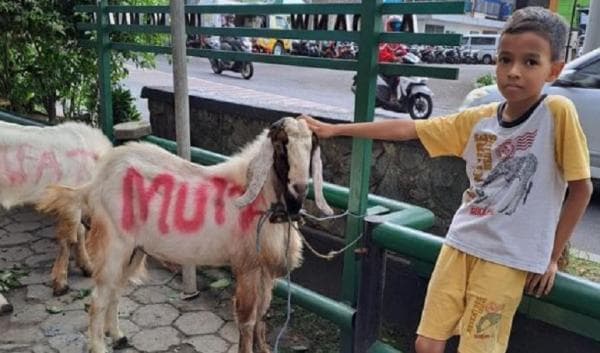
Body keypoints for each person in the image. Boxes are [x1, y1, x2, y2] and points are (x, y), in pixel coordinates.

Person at [301, 7, 592, 353]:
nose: (513, 72)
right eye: (504, 60)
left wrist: (552, 257)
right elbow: (408, 128)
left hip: (507, 259)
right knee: (426, 343)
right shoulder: (479, 118)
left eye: (530, 62)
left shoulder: (556, 113)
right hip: (459, 244)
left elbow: (580, 189)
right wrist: (334, 129)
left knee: (478, 348)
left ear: (554, 70)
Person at [379, 15, 408, 105]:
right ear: (389, 26)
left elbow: (404, 50)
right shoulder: (384, 39)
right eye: (394, 25)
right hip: (384, 66)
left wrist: (406, 55)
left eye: (398, 25)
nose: (396, 27)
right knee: (395, 78)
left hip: (394, 65)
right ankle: (392, 96)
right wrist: (394, 58)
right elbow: (381, 54)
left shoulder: (398, 39)